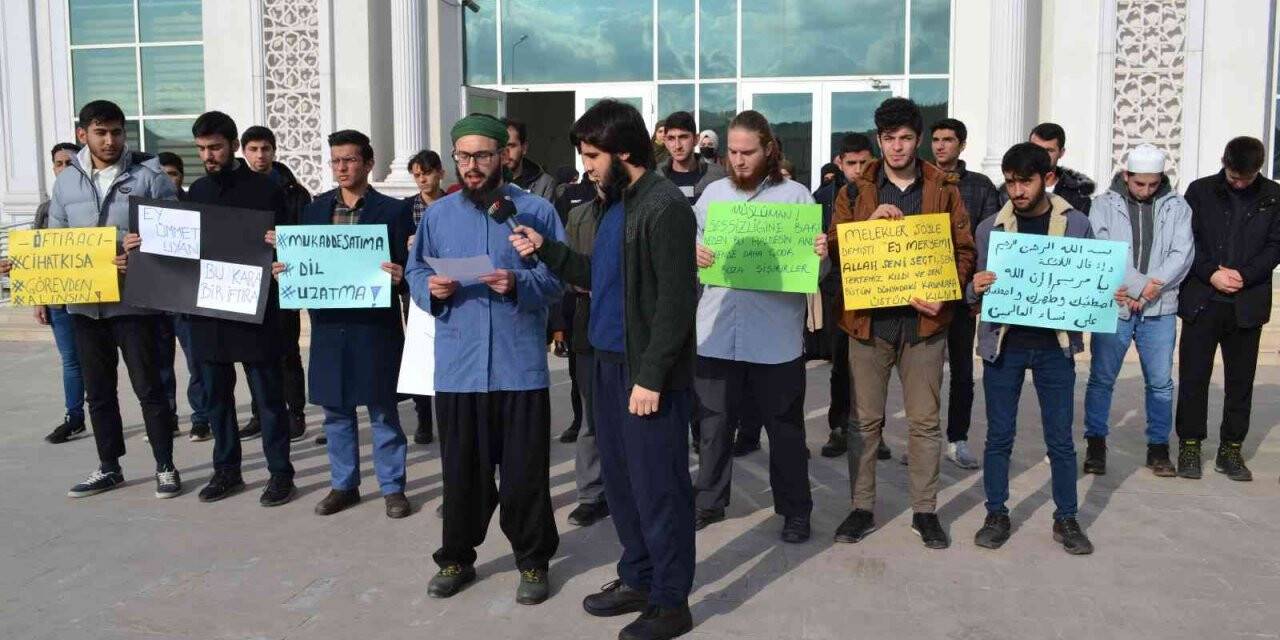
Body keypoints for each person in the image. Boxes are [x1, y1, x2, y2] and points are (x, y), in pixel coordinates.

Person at [511, 99, 699, 639]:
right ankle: (637, 576)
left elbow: (674, 302)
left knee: (659, 489)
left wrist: (652, 377)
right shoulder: (616, 204)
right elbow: (601, 275)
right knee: (620, 485)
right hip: (607, 366)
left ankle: (670, 601)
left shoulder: (663, 207)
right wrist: (546, 249)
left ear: (622, 151)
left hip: (645, 376)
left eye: (593, 155)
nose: (586, 166)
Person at [406, 113, 564, 605]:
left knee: (524, 477)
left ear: (503, 157)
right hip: (459, 369)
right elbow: (414, 272)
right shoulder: (438, 215)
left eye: (482, 156)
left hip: (519, 368)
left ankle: (533, 561)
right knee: (462, 476)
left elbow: (558, 281)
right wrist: (428, 287)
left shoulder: (535, 211)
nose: (471, 166)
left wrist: (518, 282)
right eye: (463, 157)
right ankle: (456, 557)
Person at [827, 97, 975, 550]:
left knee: (925, 423)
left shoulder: (943, 188)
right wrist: (866, 227)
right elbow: (833, 249)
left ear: (919, 139)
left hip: (923, 327)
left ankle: (925, 510)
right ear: (878, 140)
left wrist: (947, 289)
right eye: (889, 138)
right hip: (867, 326)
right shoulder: (854, 191)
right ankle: (861, 507)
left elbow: (964, 251)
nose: (897, 147)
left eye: (906, 138)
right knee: (864, 422)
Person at [691, 110, 822, 544]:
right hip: (716, 333)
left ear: (769, 149)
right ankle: (708, 501)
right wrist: (693, 252)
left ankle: (795, 511)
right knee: (712, 426)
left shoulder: (797, 197)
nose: (739, 160)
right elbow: (683, 248)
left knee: (784, 431)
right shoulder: (712, 195)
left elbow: (814, 276)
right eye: (732, 152)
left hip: (776, 342)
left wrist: (820, 256)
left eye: (748, 152)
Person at [274, 129, 414, 518]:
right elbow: (305, 266)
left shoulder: (393, 211)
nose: (342, 167)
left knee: (383, 410)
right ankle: (344, 484)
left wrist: (401, 274)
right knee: (335, 411)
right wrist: (286, 269)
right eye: (336, 160)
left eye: (350, 160)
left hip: (375, 327)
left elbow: (410, 270)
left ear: (368, 163)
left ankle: (392, 487)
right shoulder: (315, 210)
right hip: (329, 326)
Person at [47, 100, 181, 499]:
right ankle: (109, 466)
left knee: (149, 388)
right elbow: (55, 242)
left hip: (135, 303)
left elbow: (177, 232)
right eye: (101, 132)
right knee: (98, 391)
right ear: (82, 134)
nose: (110, 140)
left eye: (117, 132)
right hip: (85, 306)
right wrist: (26, 265)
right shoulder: (66, 181)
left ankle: (165, 465)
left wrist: (140, 250)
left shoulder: (148, 175)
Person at [968, 142, 1095, 555]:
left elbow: (1091, 280)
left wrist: (1100, 292)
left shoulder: (1075, 224)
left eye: (1026, 181)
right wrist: (975, 286)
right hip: (1004, 346)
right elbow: (972, 288)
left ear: (1048, 178)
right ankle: (996, 513)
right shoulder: (991, 229)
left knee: (1060, 439)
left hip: (1055, 347)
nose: (1017, 190)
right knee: (998, 437)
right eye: (1010, 181)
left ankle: (1067, 518)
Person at [182, 111, 295, 506]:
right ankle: (226, 470)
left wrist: (280, 240)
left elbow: (292, 244)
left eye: (214, 147)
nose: (208, 155)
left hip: (256, 312)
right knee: (217, 398)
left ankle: (280, 473)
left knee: (267, 398)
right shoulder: (196, 192)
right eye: (201, 149)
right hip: (209, 311)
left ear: (232, 145)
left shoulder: (266, 189)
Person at [1083, 144, 1192, 477]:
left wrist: (1147, 289)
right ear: (1126, 175)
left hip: (1159, 308)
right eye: (1139, 183)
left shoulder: (1178, 206)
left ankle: (1158, 447)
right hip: (1116, 305)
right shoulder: (1102, 205)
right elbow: (1103, 249)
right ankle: (1096, 444)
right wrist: (1137, 287)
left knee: (1160, 382)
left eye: (1153, 184)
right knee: (1101, 379)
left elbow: (1182, 253)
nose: (1146, 190)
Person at [1175, 136, 1280, 482]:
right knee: (1193, 377)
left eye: (1245, 178)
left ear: (1259, 169)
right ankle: (1190, 445)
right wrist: (1211, 274)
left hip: (1247, 303)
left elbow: (1275, 246)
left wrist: (1245, 276)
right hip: (1203, 299)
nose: (1238, 182)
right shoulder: (1200, 191)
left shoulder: (1273, 197)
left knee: (1240, 381)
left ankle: (1231, 449)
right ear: (1223, 161)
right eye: (1233, 175)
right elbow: (1186, 241)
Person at [929, 117, 1001, 469]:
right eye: (936, 140)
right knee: (922, 373)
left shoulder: (981, 186)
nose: (941, 146)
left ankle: (957, 440)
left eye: (948, 140)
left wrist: (973, 289)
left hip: (961, 295)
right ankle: (922, 439)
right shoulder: (919, 181)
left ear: (962, 144)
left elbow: (988, 239)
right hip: (923, 294)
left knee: (961, 371)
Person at [240, 125, 310, 443]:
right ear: (243, 151)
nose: (260, 155)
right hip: (247, 280)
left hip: (285, 278)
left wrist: (284, 242)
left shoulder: (293, 190)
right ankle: (259, 412)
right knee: (252, 351)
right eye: (253, 149)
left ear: (274, 151)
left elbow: (307, 234)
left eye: (265, 148)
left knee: (287, 350)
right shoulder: (236, 188)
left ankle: (295, 413)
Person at [813, 133, 878, 459]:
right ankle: (838, 427)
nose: (857, 169)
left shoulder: (884, 192)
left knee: (874, 367)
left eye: (863, 162)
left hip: (876, 287)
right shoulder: (824, 197)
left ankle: (873, 433)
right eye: (850, 163)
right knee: (840, 365)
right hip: (837, 288)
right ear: (839, 162)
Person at [558, 161, 610, 528]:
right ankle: (591, 494)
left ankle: (632, 487)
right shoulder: (577, 215)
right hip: (587, 324)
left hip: (632, 328)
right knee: (591, 417)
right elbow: (563, 268)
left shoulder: (646, 210)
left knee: (634, 417)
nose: (594, 171)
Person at [34, 142, 88, 444]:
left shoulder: (93, 203)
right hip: (58, 298)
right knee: (70, 360)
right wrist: (39, 297)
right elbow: (38, 257)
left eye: (70, 162)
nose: (64, 168)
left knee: (102, 363)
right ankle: (74, 417)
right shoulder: (45, 210)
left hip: (94, 296)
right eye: (59, 163)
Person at [401, 149, 445, 445]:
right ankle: (423, 418)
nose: (422, 179)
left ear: (440, 172)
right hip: (415, 288)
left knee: (444, 350)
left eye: (427, 173)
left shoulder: (454, 203)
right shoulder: (405, 209)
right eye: (417, 175)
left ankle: (445, 412)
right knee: (418, 351)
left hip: (448, 282)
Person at [999, 123, 1096, 215]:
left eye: (1049, 150)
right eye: (1036, 148)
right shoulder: (1005, 192)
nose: (1041, 154)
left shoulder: (1079, 194)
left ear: (1061, 153)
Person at [656, 111, 728, 205]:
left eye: (683, 137)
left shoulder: (718, 176)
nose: (677, 146)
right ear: (665, 141)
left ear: (696, 139)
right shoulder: (655, 178)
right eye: (671, 138)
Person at [503, 117, 556, 201]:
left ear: (524, 148)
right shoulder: (485, 183)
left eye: (512, 146)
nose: (505, 153)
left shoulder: (544, 183)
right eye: (501, 147)